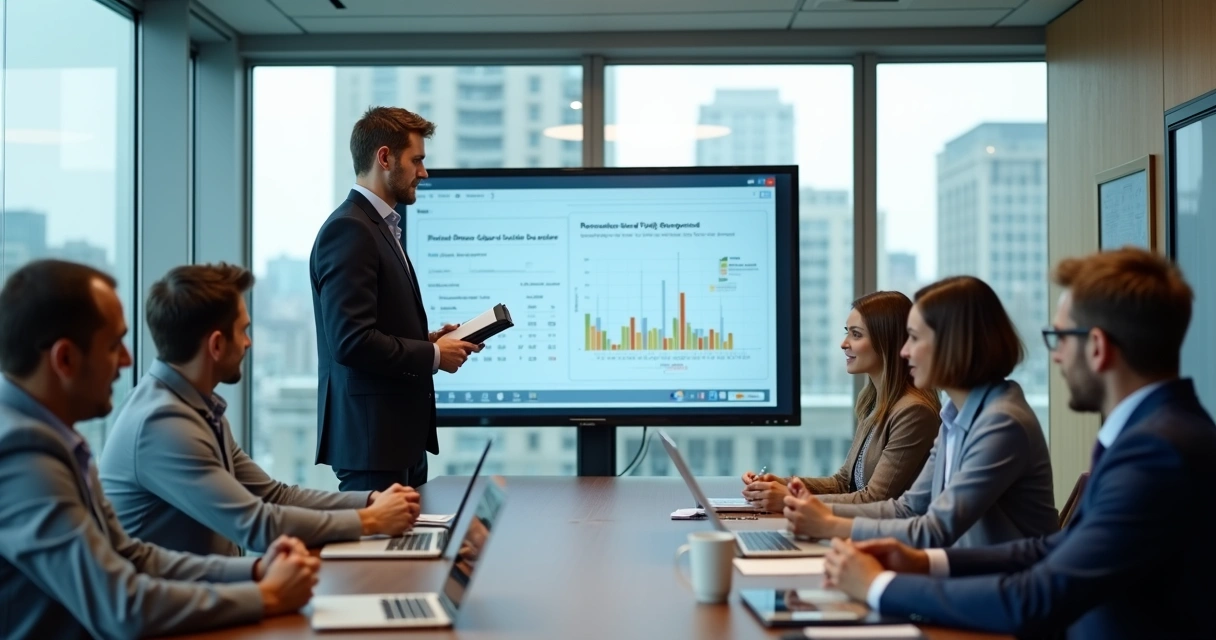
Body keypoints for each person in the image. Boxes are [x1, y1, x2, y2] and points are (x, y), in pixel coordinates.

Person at [822, 248, 1216, 639]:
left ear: (1096, 347)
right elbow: (1054, 548)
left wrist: (879, 586)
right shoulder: (1154, 434)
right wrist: (928, 562)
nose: (1056, 356)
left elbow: (1035, 597)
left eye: (1059, 336)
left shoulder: (1157, 453)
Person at [0, 260, 318, 640]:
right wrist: (265, 595)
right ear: (65, 359)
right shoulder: (21, 458)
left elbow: (133, 556)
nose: (127, 361)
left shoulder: (55, 439)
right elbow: (122, 606)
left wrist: (253, 572)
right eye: (114, 345)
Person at [100, 263, 421, 557]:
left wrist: (369, 501)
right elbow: (257, 525)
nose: (249, 343)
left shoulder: (194, 407)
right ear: (216, 345)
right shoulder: (163, 425)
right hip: (179, 612)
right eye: (243, 330)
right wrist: (369, 520)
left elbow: (273, 495)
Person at [784, 276, 1058, 548]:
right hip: (968, 574)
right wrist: (813, 509)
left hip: (1003, 582)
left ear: (953, 344)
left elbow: (937, 529)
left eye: (914, 338)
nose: (904, 351)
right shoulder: (954, 416)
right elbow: (909, 508)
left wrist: (829, 523)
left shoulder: (1001, 423)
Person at [311, 106, 480, 492]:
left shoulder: (377, 227)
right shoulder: (349, 230)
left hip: (394, 441)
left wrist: (432, 341)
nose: (424, 172)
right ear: (384, 157)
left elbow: (375, 327)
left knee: (405, 550)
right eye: (417, 160)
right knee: (381, 553)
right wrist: (435, 357)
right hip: (373, 446)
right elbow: (351, 341)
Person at [740, 291, 940, 510]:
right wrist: (783, 484)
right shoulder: (875, 402)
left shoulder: (914, 412)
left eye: (856, 334)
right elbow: (844, 483)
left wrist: (790, 498)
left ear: (886, 341)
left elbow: (874, 499)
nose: (844, 344)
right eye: (848, 333)